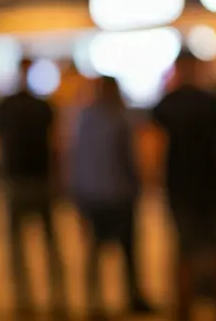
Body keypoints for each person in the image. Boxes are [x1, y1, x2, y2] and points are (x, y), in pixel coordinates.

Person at [146, 51, 216, 320]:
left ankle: (183, 310)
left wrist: (154, 182)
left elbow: (152, 149)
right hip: (215, 188)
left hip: (180, 189)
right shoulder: (213, 102)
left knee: (184, 253)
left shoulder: (165, 105)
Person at [69, 76, 154, 318]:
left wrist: (77, 193)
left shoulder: (85, 119)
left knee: (98, 253)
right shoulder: (120, 118)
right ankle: (128, 297)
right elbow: (129, 159)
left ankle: (96, 302)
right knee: (125, 252)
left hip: (95, 195)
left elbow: (76, 159)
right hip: (116, 195)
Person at [0, 58, 67, 319]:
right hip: (24, 178)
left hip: (33, 178)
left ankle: (47, 299)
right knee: (29, 245)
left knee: (41, 244)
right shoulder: (30, 106)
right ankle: (30, 300)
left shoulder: (32, 106)